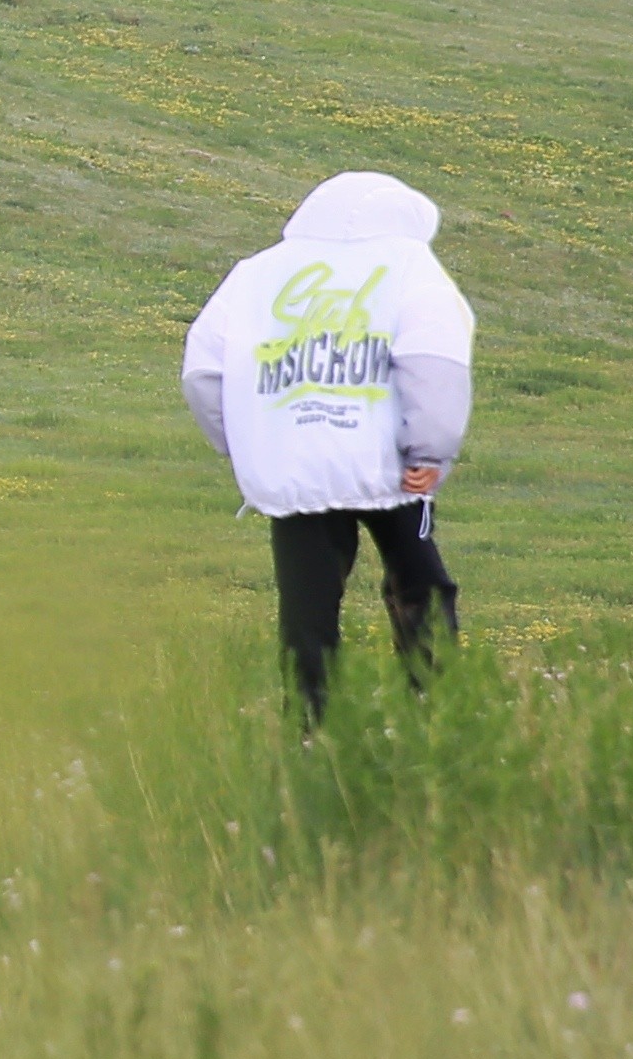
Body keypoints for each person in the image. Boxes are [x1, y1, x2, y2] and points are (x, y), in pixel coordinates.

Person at [178, 170, 478, 722]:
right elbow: (433, 363)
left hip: (292, 467)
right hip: (387, 464)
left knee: (307, 607)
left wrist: (247, 446)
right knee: (422, 583)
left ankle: (311, 731)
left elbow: (204, 372)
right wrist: (430, 450)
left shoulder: (256, 274)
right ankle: (440, 710)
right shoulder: (410, 268)